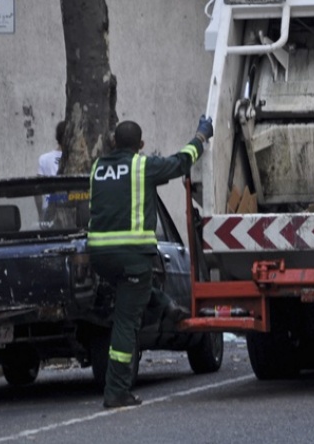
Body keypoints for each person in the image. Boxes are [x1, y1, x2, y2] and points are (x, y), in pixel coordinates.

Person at [88, 116, 213, 409]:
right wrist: (200, 138)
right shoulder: (142, 166)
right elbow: (181, 162)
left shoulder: (97, 168)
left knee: (138, 285)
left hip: (100, 257)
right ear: (140, 145)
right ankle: (116, 391)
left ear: (113, 142)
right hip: (131, 255)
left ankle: (167, 306)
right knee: (125, 321)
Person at [36, 120, 66, 223]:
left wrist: (40, 214)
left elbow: (37, 190)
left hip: (48, 209)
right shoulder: (75, 160)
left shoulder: (44, 159)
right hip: (69, 208)